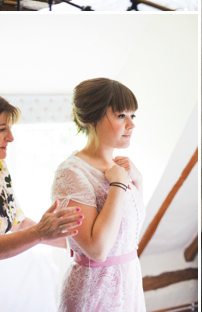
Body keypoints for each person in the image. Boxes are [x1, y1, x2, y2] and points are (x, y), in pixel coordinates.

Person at [52, 78, 146, 312]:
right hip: (95, 292)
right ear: (93, 118)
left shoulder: (121, 169)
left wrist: (137, 180)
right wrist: (118, 186)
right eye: (121, 115)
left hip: (129, 285)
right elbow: (97, 249)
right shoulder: (71, 172)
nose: (131, 125)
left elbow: (129, 233)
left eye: (133, 116)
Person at [0, 96, 82, 259]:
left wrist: (73, 244)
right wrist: (39, 232)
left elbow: (18, 222)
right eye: (2, 129)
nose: (11, 137)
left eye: (10, 128)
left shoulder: (1, 168)